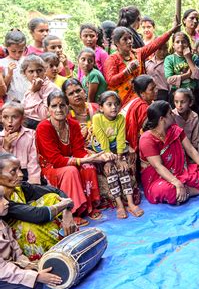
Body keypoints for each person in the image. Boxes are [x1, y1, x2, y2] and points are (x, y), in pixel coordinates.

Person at [36, 91, 112, 225]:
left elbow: (78, 151)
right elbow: (55, 160)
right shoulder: (43, 127)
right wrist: (82, 160)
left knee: (88, 166)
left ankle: (89, 207)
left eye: (62, 105)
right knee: (71, 170)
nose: (58, 110)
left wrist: (91, 157)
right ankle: (71, 211)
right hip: (51, 167)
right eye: (54, 106)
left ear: (68, 107)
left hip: (68, 160)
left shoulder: (73, 124)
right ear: (48, 109)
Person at [139, 101, 199, 205]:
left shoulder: (175, 130)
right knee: (169, 191)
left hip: (181, 172)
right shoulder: (147, 139)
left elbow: (191, 150)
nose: (173, 114)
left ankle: (185, 191)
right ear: (162, 119)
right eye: (170, 113)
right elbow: (158, 167)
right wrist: (176, 183)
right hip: (158, 178)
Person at [0, 153, 76, 261]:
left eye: (20, 169)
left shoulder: (20, 188)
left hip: (32, 218)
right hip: (9, 246)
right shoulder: (2, 201)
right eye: (13, 171)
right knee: (30, 226)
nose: (21, 174)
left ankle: (67, 244)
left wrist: (67, 211)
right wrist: (65, 204)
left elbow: (56, 191)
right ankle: (51, 258)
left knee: (52, 197)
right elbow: (38, 215)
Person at [0, 183, 63, 289]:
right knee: (33, 288)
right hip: (2, 271)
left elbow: (16, 252)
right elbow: (2, 269)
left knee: (35, 276)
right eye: (0, 199)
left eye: (4, 197)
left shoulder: (3, 224)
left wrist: (30, 265)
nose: (6, 202)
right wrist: (36, 276)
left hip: (7, 268)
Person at [103, 18, 179, 106]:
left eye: (130, 38)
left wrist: (171, 31)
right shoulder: (112, 59)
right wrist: (127, 71)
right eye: (125, 39)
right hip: (122, 102)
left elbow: (154, 44)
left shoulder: (138, 53)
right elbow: (110, 81)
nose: (129, 41)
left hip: (141, 99)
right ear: (117, 43)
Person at [91, 91, 143, 219]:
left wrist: (120, 158)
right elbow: (102, 139)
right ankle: (120, 205)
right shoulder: (97, 118)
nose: (114, 107)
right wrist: (108, 160)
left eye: (116, 104)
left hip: (116, 147)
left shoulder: (120, 119)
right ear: (101, 108)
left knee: (122, 168)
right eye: (109, 104)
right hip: (101, 148)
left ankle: (130, 203)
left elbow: (120, 138)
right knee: (110, 172)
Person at [0, 102, 41, 184]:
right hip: (5, 175)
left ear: (22, 119)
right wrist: (6, 147)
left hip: (26, 173)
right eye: (5, 117)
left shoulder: (31, 135)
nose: (10, 121)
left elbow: (33, 161)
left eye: (14, 117)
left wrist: (34, 181)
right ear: (1, 119)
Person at [123, 75, 156, 169]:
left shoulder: (136, 99)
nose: (155, 91)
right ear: (142, 93)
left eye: (155, 87)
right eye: (152, 89)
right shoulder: (143, 107)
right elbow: (148, 131)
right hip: (131, 144)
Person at [21, 55, 58, 130]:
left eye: (39, 70)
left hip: (42, 127)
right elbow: (25, 109)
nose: (36, 75)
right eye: (31, 71)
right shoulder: (31, 86)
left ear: (45, 71)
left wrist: (35, 92)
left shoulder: (51, 88)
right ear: (24, 74)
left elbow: (45, 115)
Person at [62, 78, 99, 147]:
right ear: (66, 99)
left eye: (78, 91)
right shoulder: (64, 116)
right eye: (71, 93)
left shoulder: (97, 108)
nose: (76, 95)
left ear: (84, 92)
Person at [0, 29, 28, 102]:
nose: (17, 54)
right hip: (11, 102)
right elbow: (2, 90)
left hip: (29, 101)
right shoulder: (2, 63)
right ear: (6, 46)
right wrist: (9, 74)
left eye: (20, 51)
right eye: (13, 51)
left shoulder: (28, 61)